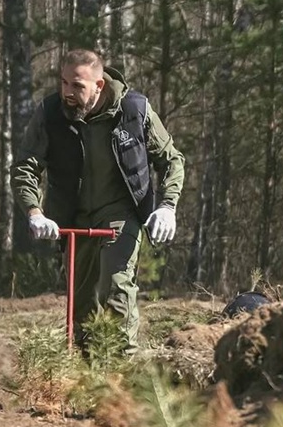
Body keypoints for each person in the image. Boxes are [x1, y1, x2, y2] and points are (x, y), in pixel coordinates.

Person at [11, 49, 185, 353]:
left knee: (116, 287)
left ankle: (121, 373)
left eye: (77, 86)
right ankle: (87, 376)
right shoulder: (51, 113)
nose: (68, 92)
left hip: (120, 213)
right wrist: (35, 211)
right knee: (82, 311)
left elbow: (171, 160)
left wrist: (167, 206)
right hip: (72, 217)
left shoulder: (134, 110)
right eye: (64, 83)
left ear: (99, 85)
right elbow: (25, 166)